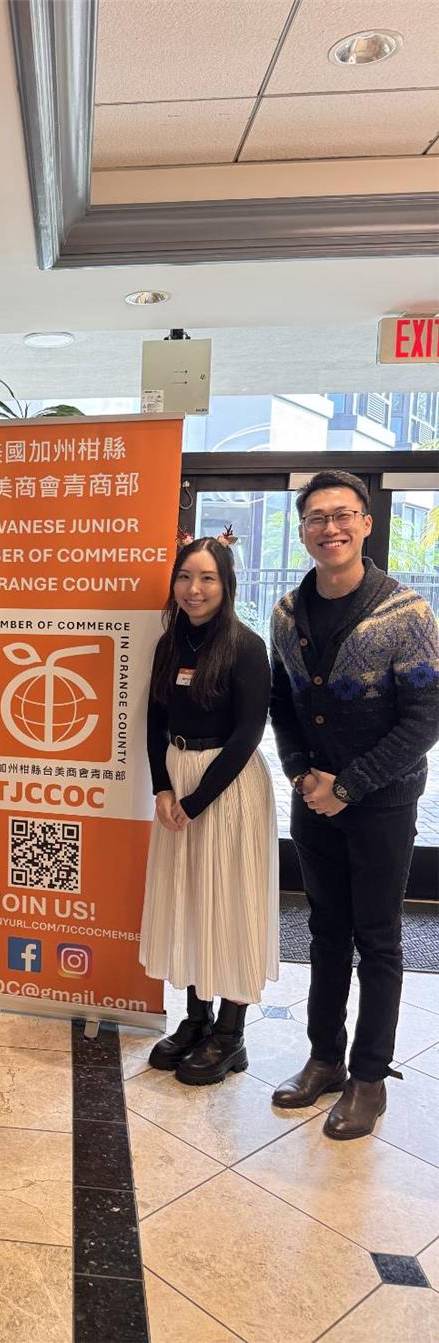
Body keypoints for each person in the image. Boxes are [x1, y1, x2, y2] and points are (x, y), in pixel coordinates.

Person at [269, 469, 439, 1138]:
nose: (329, 527)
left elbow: (424, 719)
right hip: (313, 796)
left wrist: (347, 785)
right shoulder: (287, 612)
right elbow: (282, 703)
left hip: (382, 803)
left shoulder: (407, 613)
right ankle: (324, 1059)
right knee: (324, 930)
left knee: (379, 937)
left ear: (366, 523)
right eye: (316, 517)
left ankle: (369, 1078)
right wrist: (299, 772)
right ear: (303, 529)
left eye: (342, 514)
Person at [140, 535, 278, 1085]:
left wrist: (196, 800)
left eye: (207, 579)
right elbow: (154, 719)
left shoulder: (246, 646)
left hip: (228, 786)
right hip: (178, 782)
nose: (194, 590)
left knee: (231, 901)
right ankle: (196, 1020)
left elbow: (249, 733)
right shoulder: (170, 642)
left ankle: (230, 1034)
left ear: (226, 586)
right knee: (191, 900)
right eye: (185, 578)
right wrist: (164, 789)